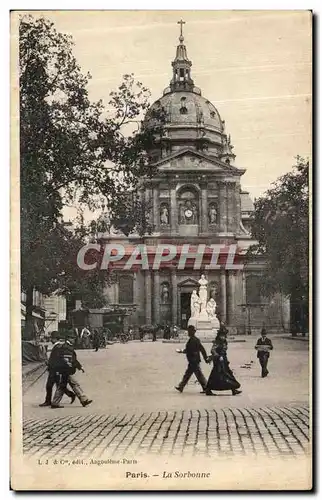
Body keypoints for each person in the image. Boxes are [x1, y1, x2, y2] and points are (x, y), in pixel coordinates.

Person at [51, 336, 93, 409]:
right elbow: (67, 359)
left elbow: (73, 359)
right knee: (71, 385)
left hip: (65, 370)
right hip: (66, 370)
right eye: (72, 338)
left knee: (66, 386)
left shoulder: (67, 346)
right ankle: (84, 400)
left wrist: (80, 367)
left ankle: (55, 403)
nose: (74, 340)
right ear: (68, 339)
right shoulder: (66, 347)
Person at [39, 335, 76, 407]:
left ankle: (48, 401)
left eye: (52, 338)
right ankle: (70, 395)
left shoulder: (58, 347)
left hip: (55, 369)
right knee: (55, 385)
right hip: (53, 369)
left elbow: (57, 359)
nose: (51, 340)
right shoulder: (55, 346)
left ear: (55, 339)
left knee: (53, 385)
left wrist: (52, 366)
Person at [175, 325, 209, 393]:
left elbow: (191, 350)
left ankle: (206, 387)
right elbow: (202, 349)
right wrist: (205, 358)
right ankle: (181, 386)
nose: (188, 333)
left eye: (189, 331)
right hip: (193, 360)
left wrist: (182, 351)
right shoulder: (194, 339)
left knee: (198, 375)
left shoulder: (194, 340)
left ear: (192, 332)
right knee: (189, 374)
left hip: (194, 360)